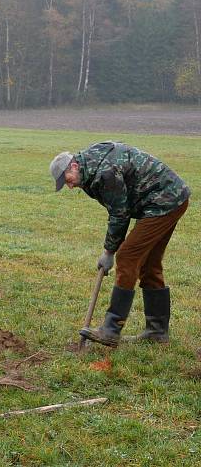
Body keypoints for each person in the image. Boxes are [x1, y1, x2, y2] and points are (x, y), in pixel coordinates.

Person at [50, 142, 190, 347]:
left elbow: (119, 213)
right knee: (149, 263)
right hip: (168, 198)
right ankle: (157, 331)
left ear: (73, 166)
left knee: (127, 257)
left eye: (67, 180)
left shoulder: (103, 173)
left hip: (164, 201)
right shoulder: (90, 164)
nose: (69, 186)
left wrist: (109, 251)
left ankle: (111, 329)